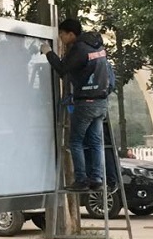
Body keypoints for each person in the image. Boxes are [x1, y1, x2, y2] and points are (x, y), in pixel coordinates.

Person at [42, 18, 116, 192]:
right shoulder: (97, 46)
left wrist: (48, 52)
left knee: (76, 141)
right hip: (101, 101)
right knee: (96, 142)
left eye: (62, 34)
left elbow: (62, 69)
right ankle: (97, 179)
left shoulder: (80, 49)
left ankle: (81, 180)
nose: (61, 38)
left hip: (85, 102)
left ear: (71, 34)